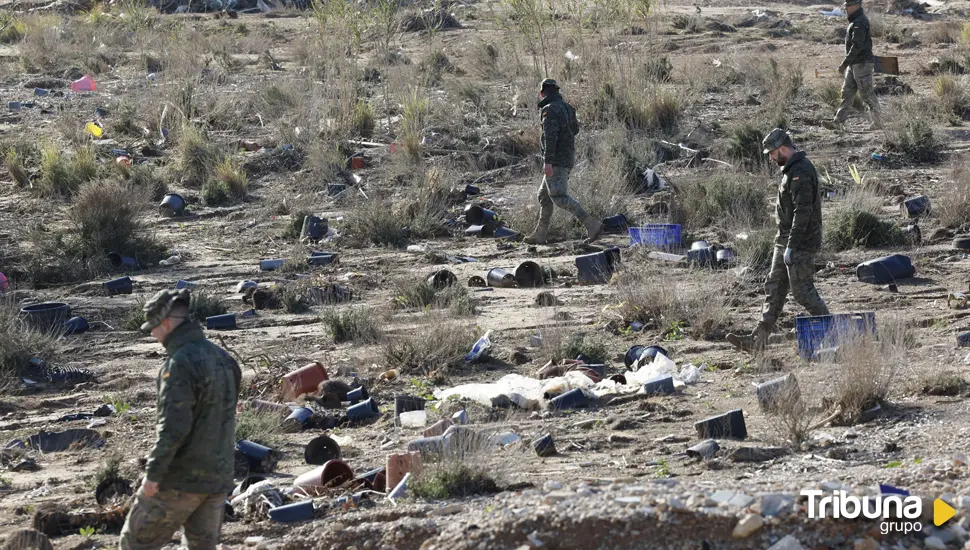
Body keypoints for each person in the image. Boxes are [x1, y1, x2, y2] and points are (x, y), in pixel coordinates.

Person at [120, 289, 241, 550]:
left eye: (153, 328)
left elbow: (174, 427)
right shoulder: (225, 359)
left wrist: (153, 474)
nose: (152, 335)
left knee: (134, 544)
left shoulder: (179, 364)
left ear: (165, 324)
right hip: (218, 478)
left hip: (181, 479)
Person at [726, 129, 830, 353]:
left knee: (802, 291)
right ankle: (757, 341)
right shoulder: (790, 170)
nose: (771, 158)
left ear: (782, 149)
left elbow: (803, 212)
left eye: (772, 153)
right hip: (785, 241)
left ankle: (833, 332)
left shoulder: (801, 171)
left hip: (800, 242)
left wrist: (792, 246)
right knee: (774, 289)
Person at [524, 78, 603, 245]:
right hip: (568, 157)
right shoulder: (568, 108)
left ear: (542, 93)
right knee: (544, 196)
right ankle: (540, 233)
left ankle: (591, 224)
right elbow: (575, 130)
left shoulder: (549, 110)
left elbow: (550, 137)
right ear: (557, 91)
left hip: (556, 160)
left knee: (559, 196)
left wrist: (548, 161)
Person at [834, 0, 880, 126]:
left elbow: (857, 45)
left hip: (862, 63)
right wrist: (847, 64)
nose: (846, 9)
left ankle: (878, 123)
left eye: (848, 6)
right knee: (847, 93)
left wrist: (844, 63)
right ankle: (838, 122)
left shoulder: (860, 21)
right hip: (854, 64)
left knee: (866, 94)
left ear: (856, 6)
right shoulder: (855, 21)